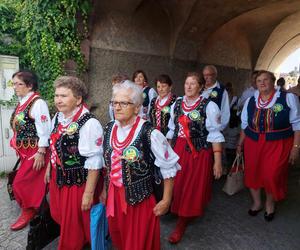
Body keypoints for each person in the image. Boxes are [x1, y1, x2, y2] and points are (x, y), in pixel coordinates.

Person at [100, 80, 180, 250]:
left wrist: (166, 200)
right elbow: (107, 164)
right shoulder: (109, 128)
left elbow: (169, 167)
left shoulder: (150, 133)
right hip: (114, 196)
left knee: (137, 244)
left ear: (137, 107)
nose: (117, 107)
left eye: (124, 103)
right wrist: (105, 189)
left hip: (139, 200)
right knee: (119, 238)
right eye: (115, 102)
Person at [45, 76, 104, 249]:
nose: (58, 100)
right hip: (59, 177)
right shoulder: (58, 117)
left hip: (78, 183)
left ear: (78, 99)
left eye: (64, 96)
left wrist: (88, 193)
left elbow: (95, 160)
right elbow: (54, 143)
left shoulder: (89, 123)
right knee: (61, 215)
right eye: (56, 95)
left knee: (74, 224)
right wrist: (50, 165)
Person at [166, 72, 224, 244]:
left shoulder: (209, 106)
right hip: (177, 149)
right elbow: (172, 129)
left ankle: (182, 222)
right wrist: (167, 152)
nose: (189, 86)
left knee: (191, 187)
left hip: (197, 153)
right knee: (176, 183)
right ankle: (174, 208)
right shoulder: (176, 104)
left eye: (193, 83)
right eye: (186, 83)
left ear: (200, 86)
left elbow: (214, 134)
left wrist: (218, 161)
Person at [237, 70, 300, 222]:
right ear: (255, 84)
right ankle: (257, 202)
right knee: (252, 173)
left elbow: (297, 124)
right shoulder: (251, 101)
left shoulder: (288, 98)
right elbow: (245, 125)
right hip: (253, 143)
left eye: (266, 79)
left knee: (271, 174)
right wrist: (240, 145)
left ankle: (269, 203)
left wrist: (296, 147)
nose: (262, 83)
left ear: (273, 81)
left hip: (279, 143)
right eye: (259, 81)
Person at [9, 70, 51, 231]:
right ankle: (43, 209)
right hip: (26, 152)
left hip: (36, 152)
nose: (15, 87)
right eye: (14, 84)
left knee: (20, 183)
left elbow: (45, 129)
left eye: (19, 84)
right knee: (32, 183)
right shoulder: (23, 101)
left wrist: (41, 152)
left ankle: (29, 210)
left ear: (30, 85)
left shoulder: (37, 103)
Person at [201, 65, 230, 130]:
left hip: (213, 129)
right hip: (198, 128)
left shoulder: (221, 90)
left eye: (209, 75)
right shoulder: (199, 88)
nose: (206, 77)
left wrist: (219, 129)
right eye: (204, 75)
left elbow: (225, 111)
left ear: (215, 75)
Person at [223, 82, 240, 169]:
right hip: (228, 125)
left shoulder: (236, 99)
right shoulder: (226, 99)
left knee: (229, 145)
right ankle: (228, 166)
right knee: (227, 145)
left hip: (231, 125)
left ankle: (229, 166)